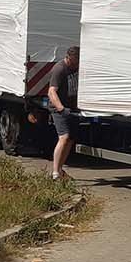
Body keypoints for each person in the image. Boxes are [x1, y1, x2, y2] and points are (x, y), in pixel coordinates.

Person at [46, 46, 80, 181]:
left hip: (72, 108)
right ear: (69, 58)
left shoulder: (77, 67)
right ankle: (55, 173)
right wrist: (61, 109)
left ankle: (60, 169)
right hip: (59, 109)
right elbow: (51, 92)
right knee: (64, 137)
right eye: (75, 61)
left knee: (70, 139)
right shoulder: (59, 69)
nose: (76, 65)